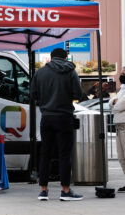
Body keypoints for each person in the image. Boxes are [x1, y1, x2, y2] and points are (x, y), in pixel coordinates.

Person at [31, 48, 83, 201]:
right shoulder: (70, 71)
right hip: (64, 117)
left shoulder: (40, 73)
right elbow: (78, 94)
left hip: (46, 117)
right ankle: (65, 191)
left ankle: (43, 190)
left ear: (51, 58)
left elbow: (33, 94)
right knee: (64, 155)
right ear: (65, 58)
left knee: (45, 154)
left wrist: (44, 101)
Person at [109, 69, 125, 193]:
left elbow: (118, 106)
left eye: (123, 72)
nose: (121, 74)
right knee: (121, 157)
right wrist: (114, 103)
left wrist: (114, 104)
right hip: (119, 126)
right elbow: (112, 103)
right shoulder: (122, 90)